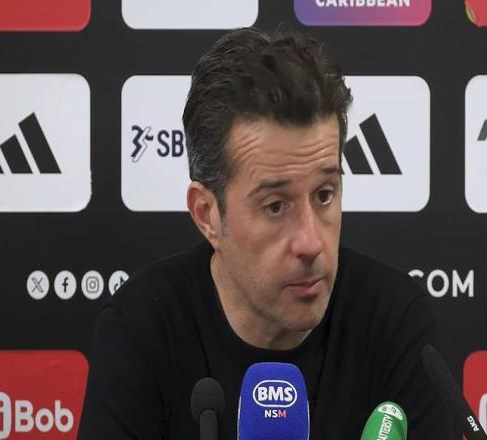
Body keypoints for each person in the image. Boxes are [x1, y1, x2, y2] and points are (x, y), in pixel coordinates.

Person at [78, 27, 454, 439]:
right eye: (275, 206)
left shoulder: (395, 322)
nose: (311, 243)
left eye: (324, 194)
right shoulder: (142, 328)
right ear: (207, 215)